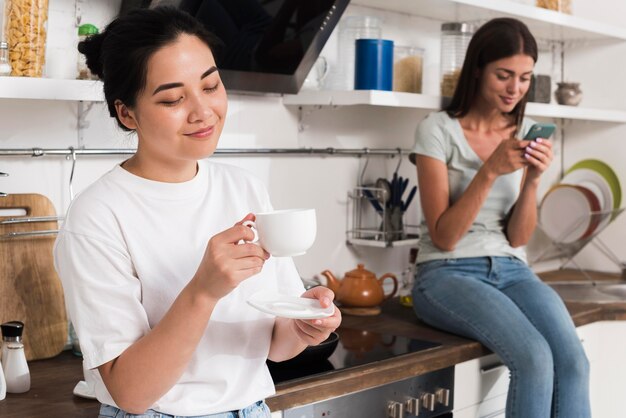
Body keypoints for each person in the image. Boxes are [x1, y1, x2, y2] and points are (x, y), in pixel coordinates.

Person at [53, 7, 341, 418]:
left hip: (254, 409)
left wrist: (305, 325)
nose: (202, 111)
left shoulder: (243, 187)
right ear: (127, 113)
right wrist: (203, 291)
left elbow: (276, 345)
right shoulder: (97, 216)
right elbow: (131, 393)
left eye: (210, 86)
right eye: (172, 98)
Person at [409, 18, 590, 418]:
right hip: (445, 273)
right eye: (504, 75)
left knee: (574, 363)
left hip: (511, 269)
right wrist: (489, 170)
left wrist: (533, 181)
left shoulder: (524, 132)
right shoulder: (436, 130)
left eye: (525, 78)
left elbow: (518, 237)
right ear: (478, 69)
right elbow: (444, 237)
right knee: (534, 358)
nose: (515, 89)